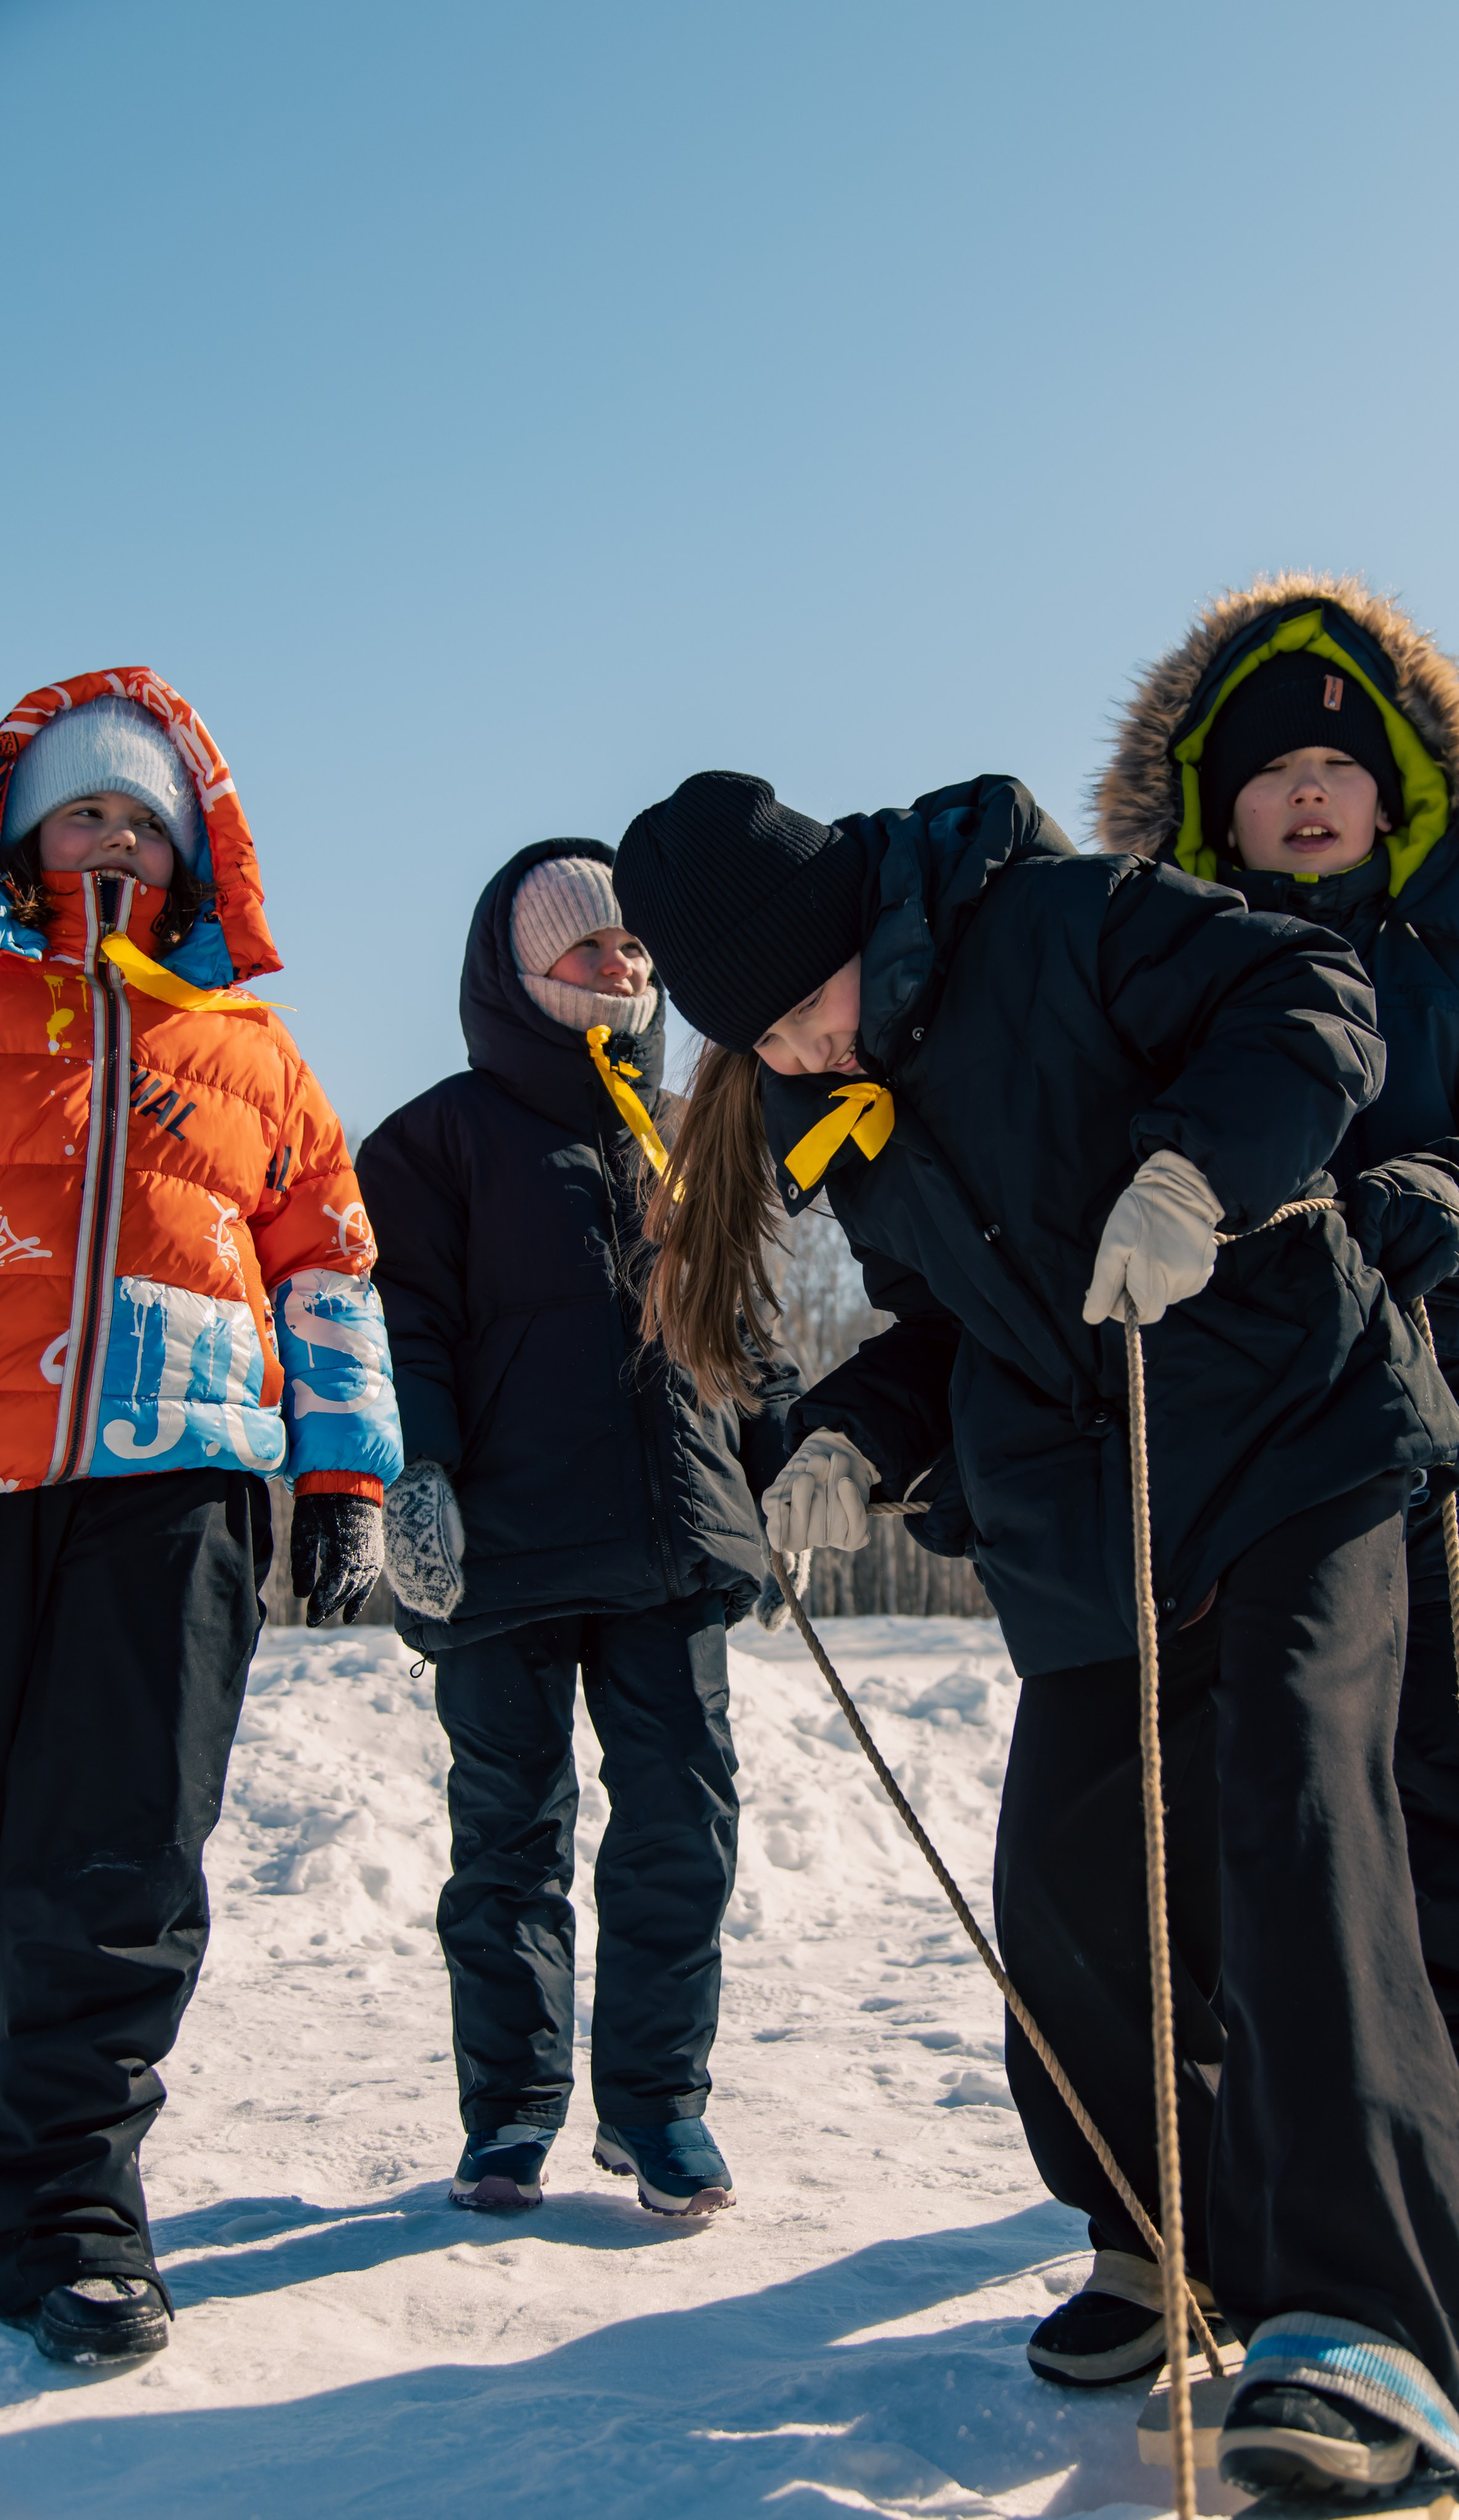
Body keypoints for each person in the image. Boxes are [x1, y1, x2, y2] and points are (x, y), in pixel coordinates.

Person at [616, 767, 1459, 2505]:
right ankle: (1161, 2234)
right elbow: (955, 1323)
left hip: (1291, 1441)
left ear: (843, 924)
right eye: (759, 1038)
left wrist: (1193, 1171)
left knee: (1296, 1825)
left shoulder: (1058, 921)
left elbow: (1312, 997)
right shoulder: (844, 1095)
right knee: (1066, 1889)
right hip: (1092, 1521)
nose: (794, 1051)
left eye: (798, 1008)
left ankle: (1366, 2323)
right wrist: (855, 1438)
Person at [1099, 576, 1459, 2366]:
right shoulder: (1158, 965)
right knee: (1280, 1809)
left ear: (1396, 788)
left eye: (1337, 765)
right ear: (1213, 808)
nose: (1307, 792)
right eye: (1270, 773)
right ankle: (1307, 2193)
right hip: (1256, 1441)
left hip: (1457, 1401)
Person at [0, 670, 400, 2368]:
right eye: (80, 811)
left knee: (120, 1850)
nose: (112, 839)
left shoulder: (249, 1053)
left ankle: (77, 2206)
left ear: (190, 856)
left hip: (176, 1495)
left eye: (141, 821)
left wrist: (345, 1476)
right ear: (23, 837)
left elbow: (330, 1271)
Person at [358, 843, 798, 2222]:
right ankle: (509, 2114)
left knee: (681, 1823)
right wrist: (418, 1477)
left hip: (671, 1534)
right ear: (518, 970)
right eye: (586, 947)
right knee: (509, 1838)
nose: (620, 967)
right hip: (501, 1548)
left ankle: (659, 2108)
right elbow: (404, 1329)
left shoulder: (689, 1130)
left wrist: (790, 1466)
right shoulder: (433, 1141)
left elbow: (748, 1326)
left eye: (635, 948)